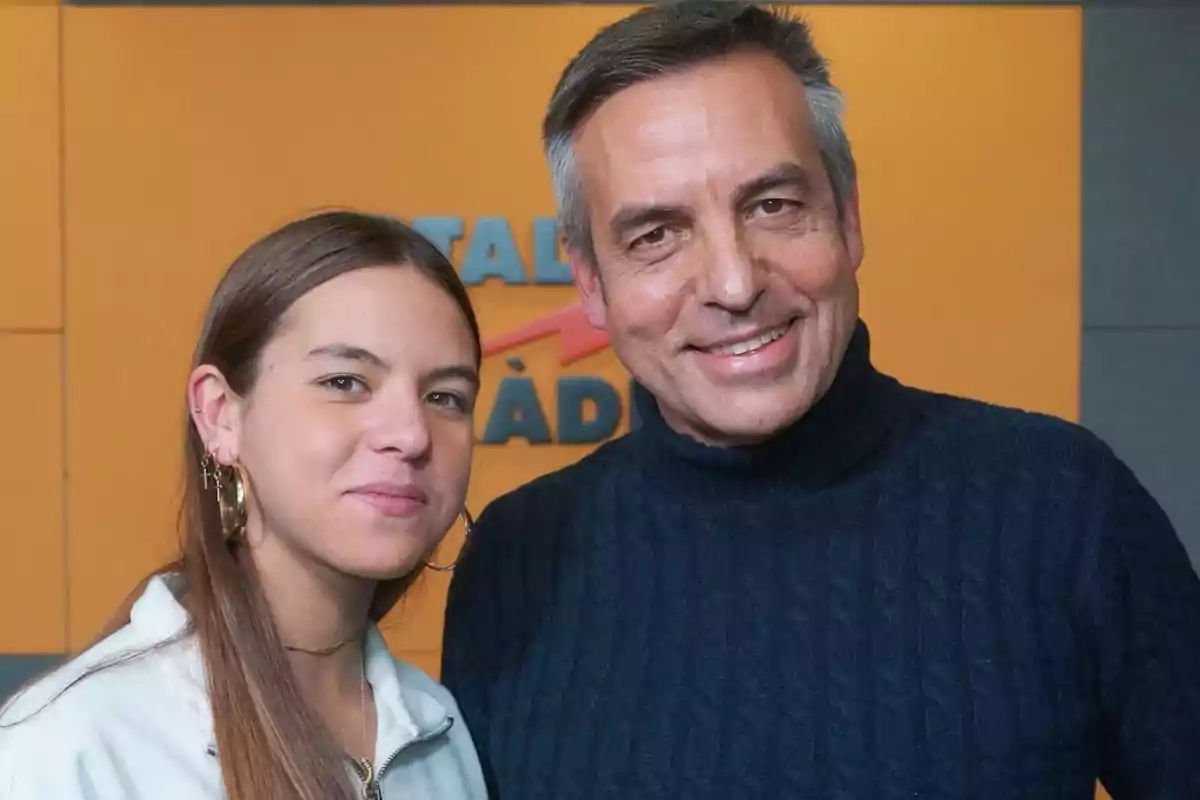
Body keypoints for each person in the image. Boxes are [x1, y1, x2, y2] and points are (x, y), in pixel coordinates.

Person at [440, 2, 1200, 798]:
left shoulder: (1065, 506)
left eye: (773, 205)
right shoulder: (517, 559)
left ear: (847, 217)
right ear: (591, 282)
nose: (734, 284)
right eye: (656, 235)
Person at [0, 211, 489, 800]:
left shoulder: (438, 726)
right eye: (345, 382)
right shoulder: (72, 746)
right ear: (220, 415)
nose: (411, 435)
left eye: (446, 396)